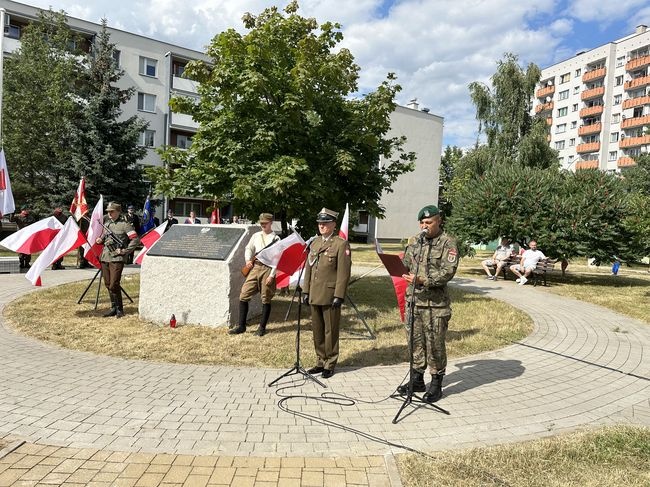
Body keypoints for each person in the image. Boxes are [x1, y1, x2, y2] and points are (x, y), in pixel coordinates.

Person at [398, 204, 459, 403]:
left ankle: (436, 383)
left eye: (429, 222)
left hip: (435, 305)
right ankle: (417, 380)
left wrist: (425, 280)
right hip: (414, 301)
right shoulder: (415, 241)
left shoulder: (448, 242)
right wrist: (394, 265)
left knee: (435, 345)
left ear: (439, 220)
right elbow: (406, 264)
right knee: (415, 343)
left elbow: (447, 272)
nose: (425, 226)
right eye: (422, 223)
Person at [302, 208, 352, 379]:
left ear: (333, 225)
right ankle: (320, 360)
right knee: (317, 329)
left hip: (330, 294)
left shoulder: (340, 244)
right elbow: (308, 269)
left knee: (330, 330)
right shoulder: (314, 243)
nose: (322, 226)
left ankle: (330, 363)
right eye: (320, 223)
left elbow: (343, 273)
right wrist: (305, 290)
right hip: (315, 293)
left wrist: (339, 295)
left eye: (325, 223)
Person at [230, 213, 280, 336]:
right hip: (255, 267)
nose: (263, 225)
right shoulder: (256, 235)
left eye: (265, 223)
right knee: (244, 294)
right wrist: (248, 260)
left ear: (270, 223)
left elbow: (277, 259)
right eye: (261, 223)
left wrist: (272, 275)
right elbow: (249, 248)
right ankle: (241, 326)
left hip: (267, 268)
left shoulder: (276, 239)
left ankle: (262, 327)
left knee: (266, 298)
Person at [95, 202, 139, 318]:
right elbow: (104, 238)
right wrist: (100, 240)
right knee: (108, 283)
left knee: (114, 283)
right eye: (108, 211)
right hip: (105, 257)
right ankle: (113, 307)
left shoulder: (125, 225)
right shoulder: (107, 224)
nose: (109, 213)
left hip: (117, 258)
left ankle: (120, 309)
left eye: (112, 211)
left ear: (118, 212)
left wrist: (125, 251)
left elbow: (135, 240)